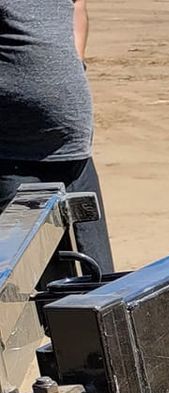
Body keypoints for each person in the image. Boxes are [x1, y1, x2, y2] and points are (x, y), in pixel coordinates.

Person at [1, 0, 111, 270]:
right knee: (34, 283)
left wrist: (74, 62)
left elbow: (77, 6)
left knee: (98, 278)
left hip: (76, 153)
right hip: (15, 156)